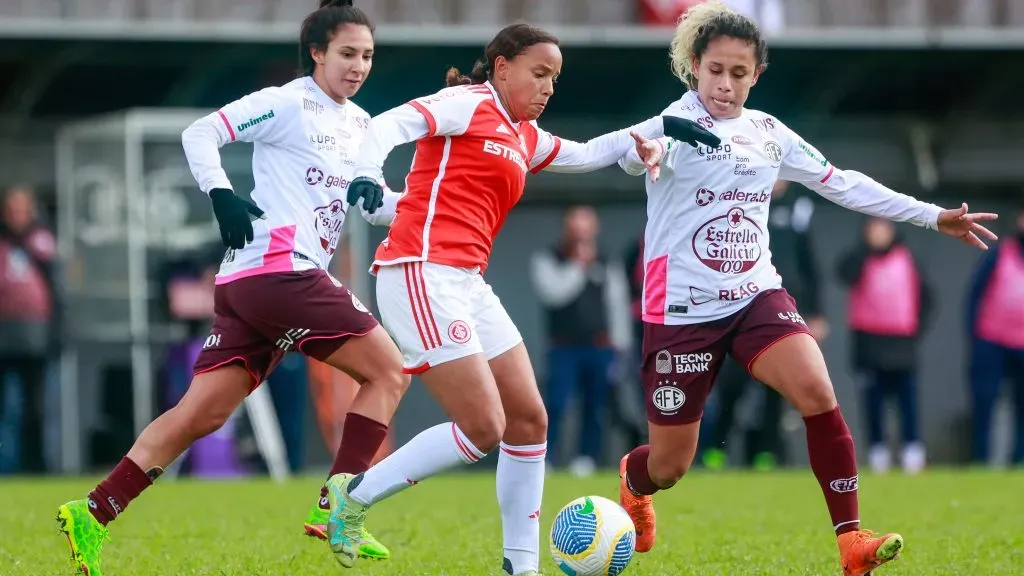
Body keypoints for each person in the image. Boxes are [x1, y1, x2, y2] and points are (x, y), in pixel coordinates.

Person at [319, 22, 720, 575]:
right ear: (502, 67)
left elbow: (587, 153)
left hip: (466, 282)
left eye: (555, 77)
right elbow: (392, 122)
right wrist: (366, 171)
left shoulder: (523, 136)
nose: (549, 86)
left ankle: (520, 566)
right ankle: (354, 496)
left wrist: (664, 124)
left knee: (529, 419)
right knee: (484, 427)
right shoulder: (467, 103)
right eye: (540, 73)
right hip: (418, 271)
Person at [613, 3, 998, 575]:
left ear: (756, 75)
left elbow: (842, 183)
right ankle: (633, 481)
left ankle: (851, 542)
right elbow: (636, 153)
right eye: (715, 70)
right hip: (681, 312)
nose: (725, 83)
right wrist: (640, 155)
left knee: (818, 392)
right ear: (695, 66)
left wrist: (931, 215)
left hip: (755, 297)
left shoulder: (768, 132)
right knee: (670, 465)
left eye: (738, 73)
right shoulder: (673, 122)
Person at [55, 2, 409, 574]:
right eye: (347, 53)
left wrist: (408, 207)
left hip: (252, 283)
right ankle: (339, 507)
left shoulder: (363, 125)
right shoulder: (286, 102)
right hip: (280, 271)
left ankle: (93, 510)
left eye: (367, 55)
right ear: (317, 53)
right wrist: (219, 191)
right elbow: (203, 133)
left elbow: (370, 207)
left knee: (200, 415)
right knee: (388, 371)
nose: (359, 65)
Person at [702, 180, 827, 471]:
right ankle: (715, 449)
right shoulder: (739, 201)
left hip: (783, 308)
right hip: (742, 306)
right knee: (733, 384)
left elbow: (810, 265)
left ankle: (766, 453)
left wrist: (816, 312)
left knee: (777, 388)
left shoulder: (798, 208)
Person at [529, 205, 632, 477]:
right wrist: (578, 266)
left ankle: (586, 458)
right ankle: (546, 458)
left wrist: (620, 347)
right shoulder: (548, 258)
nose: (581, 234)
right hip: (563, 346)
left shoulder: (607, 260)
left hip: (600, 347)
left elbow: (617, 304)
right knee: (557, 404)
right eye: (575, 227)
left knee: (595, 406)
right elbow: (554, 294)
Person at [837, 217, 933, 474]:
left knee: (908, 400)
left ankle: (912, 451)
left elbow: (928, 298)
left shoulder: (908, 259)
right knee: (873, 401)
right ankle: (878, 451)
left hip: (902, 344)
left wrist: (915, 328)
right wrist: (863, 249)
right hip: (870, 344)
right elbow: (843, 273)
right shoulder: (860, 258)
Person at [0, 185, 59, 474]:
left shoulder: (42, 242)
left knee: (35, 409)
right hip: (4, 333)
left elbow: (57, 290)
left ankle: (35, 467)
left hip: (35, 335)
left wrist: (57, 332)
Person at [966, 209, 1024, 466]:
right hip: (991, 341)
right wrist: (974, 337)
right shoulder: (1001, 252)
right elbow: (974, 295)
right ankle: (981, 459)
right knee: (985, 401)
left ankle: (1018, 460)